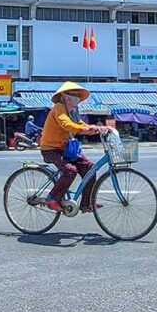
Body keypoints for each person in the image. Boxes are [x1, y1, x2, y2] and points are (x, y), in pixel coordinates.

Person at [40, 81, 106, 213]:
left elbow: (79, 124)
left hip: (66, 149)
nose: (77, 97)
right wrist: (84, 129)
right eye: (73, 94)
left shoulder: (73, 111)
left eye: (78, 95)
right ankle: (52, 198)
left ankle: (86, 204)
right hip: (51, 149)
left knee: (90, 168)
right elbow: (67, 124)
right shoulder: (59, 107)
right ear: (65, 96)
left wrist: (100, 128)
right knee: (70, 170)